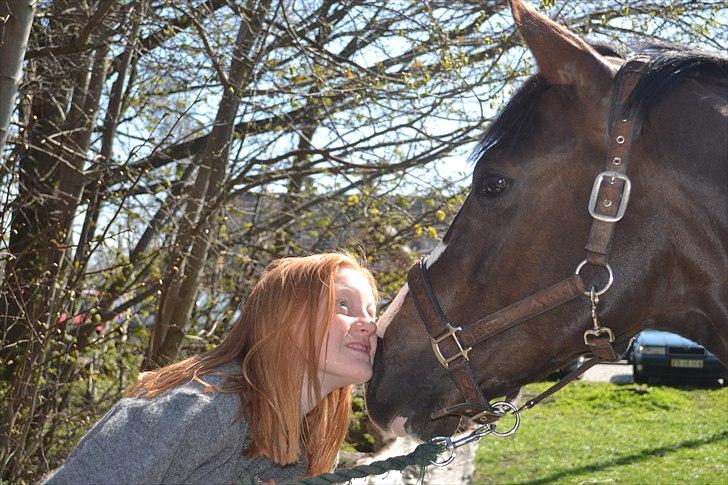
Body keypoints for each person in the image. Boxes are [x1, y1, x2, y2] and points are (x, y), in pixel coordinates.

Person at [43, 252, 379, 484]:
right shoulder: (199, 411)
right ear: (283, 322)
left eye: (371, 310)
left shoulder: (310, 448)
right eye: (344, 304)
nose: (369, 323)